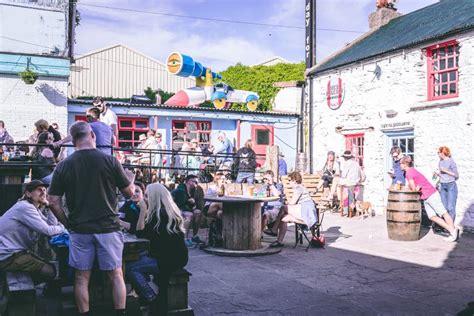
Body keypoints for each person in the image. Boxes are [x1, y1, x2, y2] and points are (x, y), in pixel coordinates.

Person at [48, 121, 134, 315]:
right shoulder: (110, 161)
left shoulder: (63, 166)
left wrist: (68, 224)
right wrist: (131, 181)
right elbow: (129, 193)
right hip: (109, 228)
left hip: (80, 230)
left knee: (80, 278)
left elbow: (53, 202)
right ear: (92, 135)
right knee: (116, 275)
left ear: (74, 140)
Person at [0, 180, 64, 284]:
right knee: (50, 271)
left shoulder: (34, 209)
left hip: (13, 253)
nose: (44, 192)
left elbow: (51, 225)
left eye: (45, 190)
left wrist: (49, 206)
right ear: (28, 193)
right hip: (6, 256)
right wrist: (64, 228)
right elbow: (48, 231)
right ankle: (17, 288)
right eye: (39, 190)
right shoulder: (25, 207)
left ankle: (22, 286)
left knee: (50, 266)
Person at [138, 183, 188, 315]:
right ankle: (149, 294)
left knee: (131, 267)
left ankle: (150, 297)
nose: (145, 199)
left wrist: (143, 211)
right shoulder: (171, 212)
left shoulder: (158, 216)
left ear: (155, 198)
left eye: (147, 196)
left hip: (166, 260)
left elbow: (140, 232)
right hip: (179, 257)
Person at [399, 156, 458, 242]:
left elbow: (413, 188)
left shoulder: (408, 173)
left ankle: (453, 232)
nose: (399, 165)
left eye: (400, 163)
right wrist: (415, 187)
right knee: (432, 216)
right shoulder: (411, 170)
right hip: (426, 196)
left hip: (431, 194)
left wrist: (414, 188)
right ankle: (452, 230)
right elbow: (415, 186)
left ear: (405, 164)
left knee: (443, 213)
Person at [279, 171, 318, 247]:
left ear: (294, 180)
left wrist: (286, 200)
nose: (289, 182)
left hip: (306, 212)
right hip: (306, 211)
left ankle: (274, 230)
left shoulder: (298, 188)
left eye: (290, 180)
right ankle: (279, 241)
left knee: (284, 208)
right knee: (284, 217)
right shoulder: (300, 187)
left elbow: (292, 203)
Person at [171, 174, 202, 247]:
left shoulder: (193, 191)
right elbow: (181, 205)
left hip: (184, 209)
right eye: (195, 182)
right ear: (189, 181)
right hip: (175, 209)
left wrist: (193, 204)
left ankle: (194, 236)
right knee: (189, 215)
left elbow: (190, 205)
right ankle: (184, 239)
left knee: (198, 212)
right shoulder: (181, 190)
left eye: (197, 182)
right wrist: (191, 205)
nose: (196, 184)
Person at [261, 170, 288, 247]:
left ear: (273, 178)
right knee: (254, 213)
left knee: (265, 214)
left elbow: (277, 195)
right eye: (265, 179)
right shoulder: (263, 186)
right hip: (265, 206)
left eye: (268, 178)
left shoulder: (279, 185)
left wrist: (271, 184)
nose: (266, 180)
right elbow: (258, 195)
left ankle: (259, 235)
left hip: (275, 208)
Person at [435, 146, 459, 222]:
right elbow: (442, 174)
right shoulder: (440, 162)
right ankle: (445, 225)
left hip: (451, 185)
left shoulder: (451, 161)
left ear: (443, 153)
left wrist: (445, 171)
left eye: (438, 152)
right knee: (444, 207)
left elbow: (456, 175)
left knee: (450, 207)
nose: (437, 154)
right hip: (442, 185)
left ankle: (450, 226)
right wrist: (438, 174)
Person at [339, 150, 364, 217]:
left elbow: (344, 175)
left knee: (338, 183)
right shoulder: (356, 163)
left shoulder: (347, 163)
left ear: (345, 158)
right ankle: (351, 208)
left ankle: (345, 208)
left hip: (349, 183)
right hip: (356, 182)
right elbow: (362, 175)